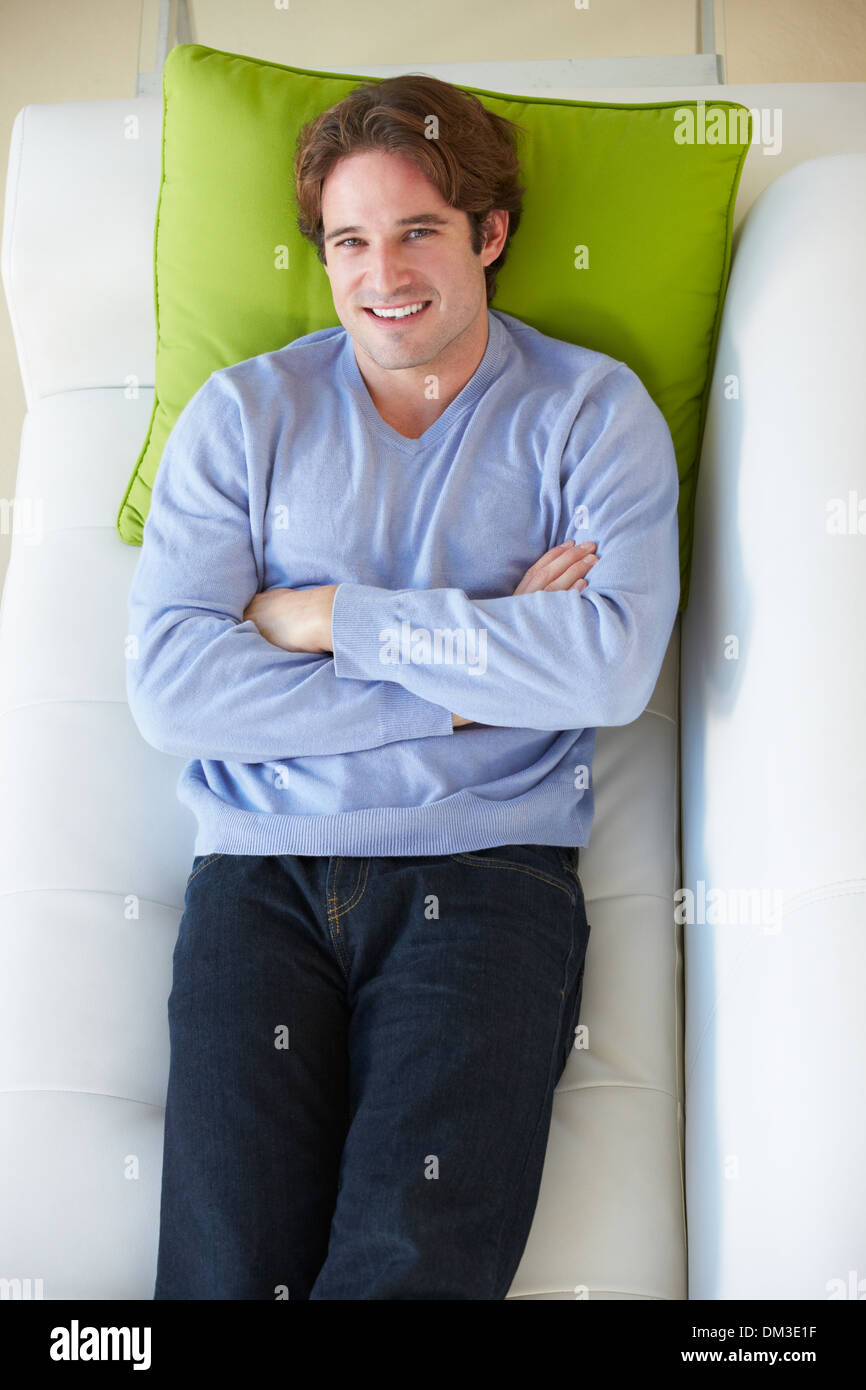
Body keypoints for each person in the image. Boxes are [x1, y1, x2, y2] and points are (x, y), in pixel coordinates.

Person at [127, 73, 680, 1300]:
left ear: (488, 234)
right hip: (258, 875)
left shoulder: (591, 415)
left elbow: (606, 660)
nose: (383, 274)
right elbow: (172, 689)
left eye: (418, 230)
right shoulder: (244, 416)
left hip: (486, 875)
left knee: (409, 1269)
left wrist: (328, 619)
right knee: (222, 1275)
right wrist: (477, 674)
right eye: (349, 240)